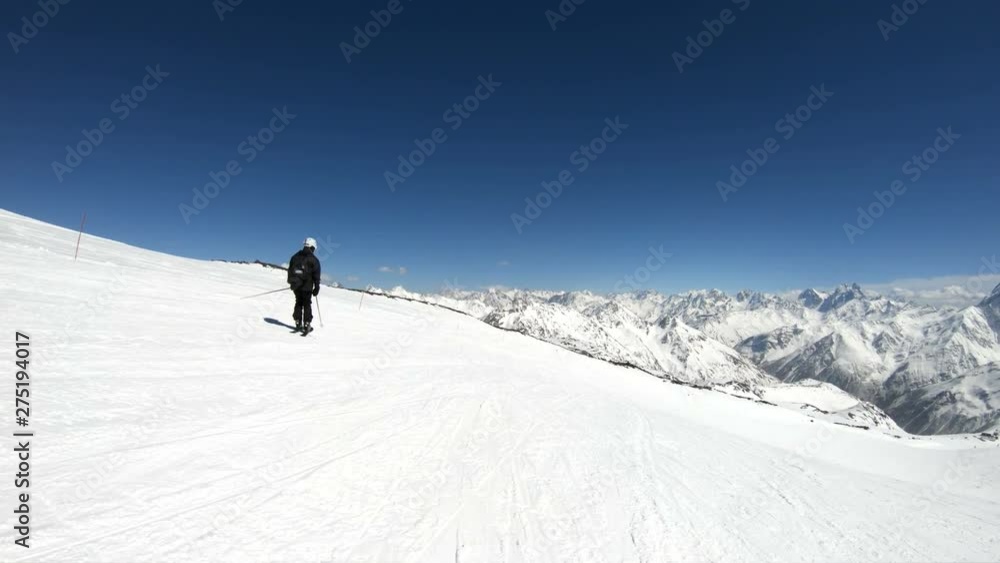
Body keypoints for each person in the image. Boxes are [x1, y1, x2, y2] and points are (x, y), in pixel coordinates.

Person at [287, 237, 321, 333]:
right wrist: (316, 287)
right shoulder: (314, 260)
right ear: (312, 247)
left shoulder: (295, 257)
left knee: (298, 302)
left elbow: (290, 271)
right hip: (307, 287)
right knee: (307, 304)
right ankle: (307, 324)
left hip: (296, 286)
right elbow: (316, 275)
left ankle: (298, 322)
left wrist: (291, 283)